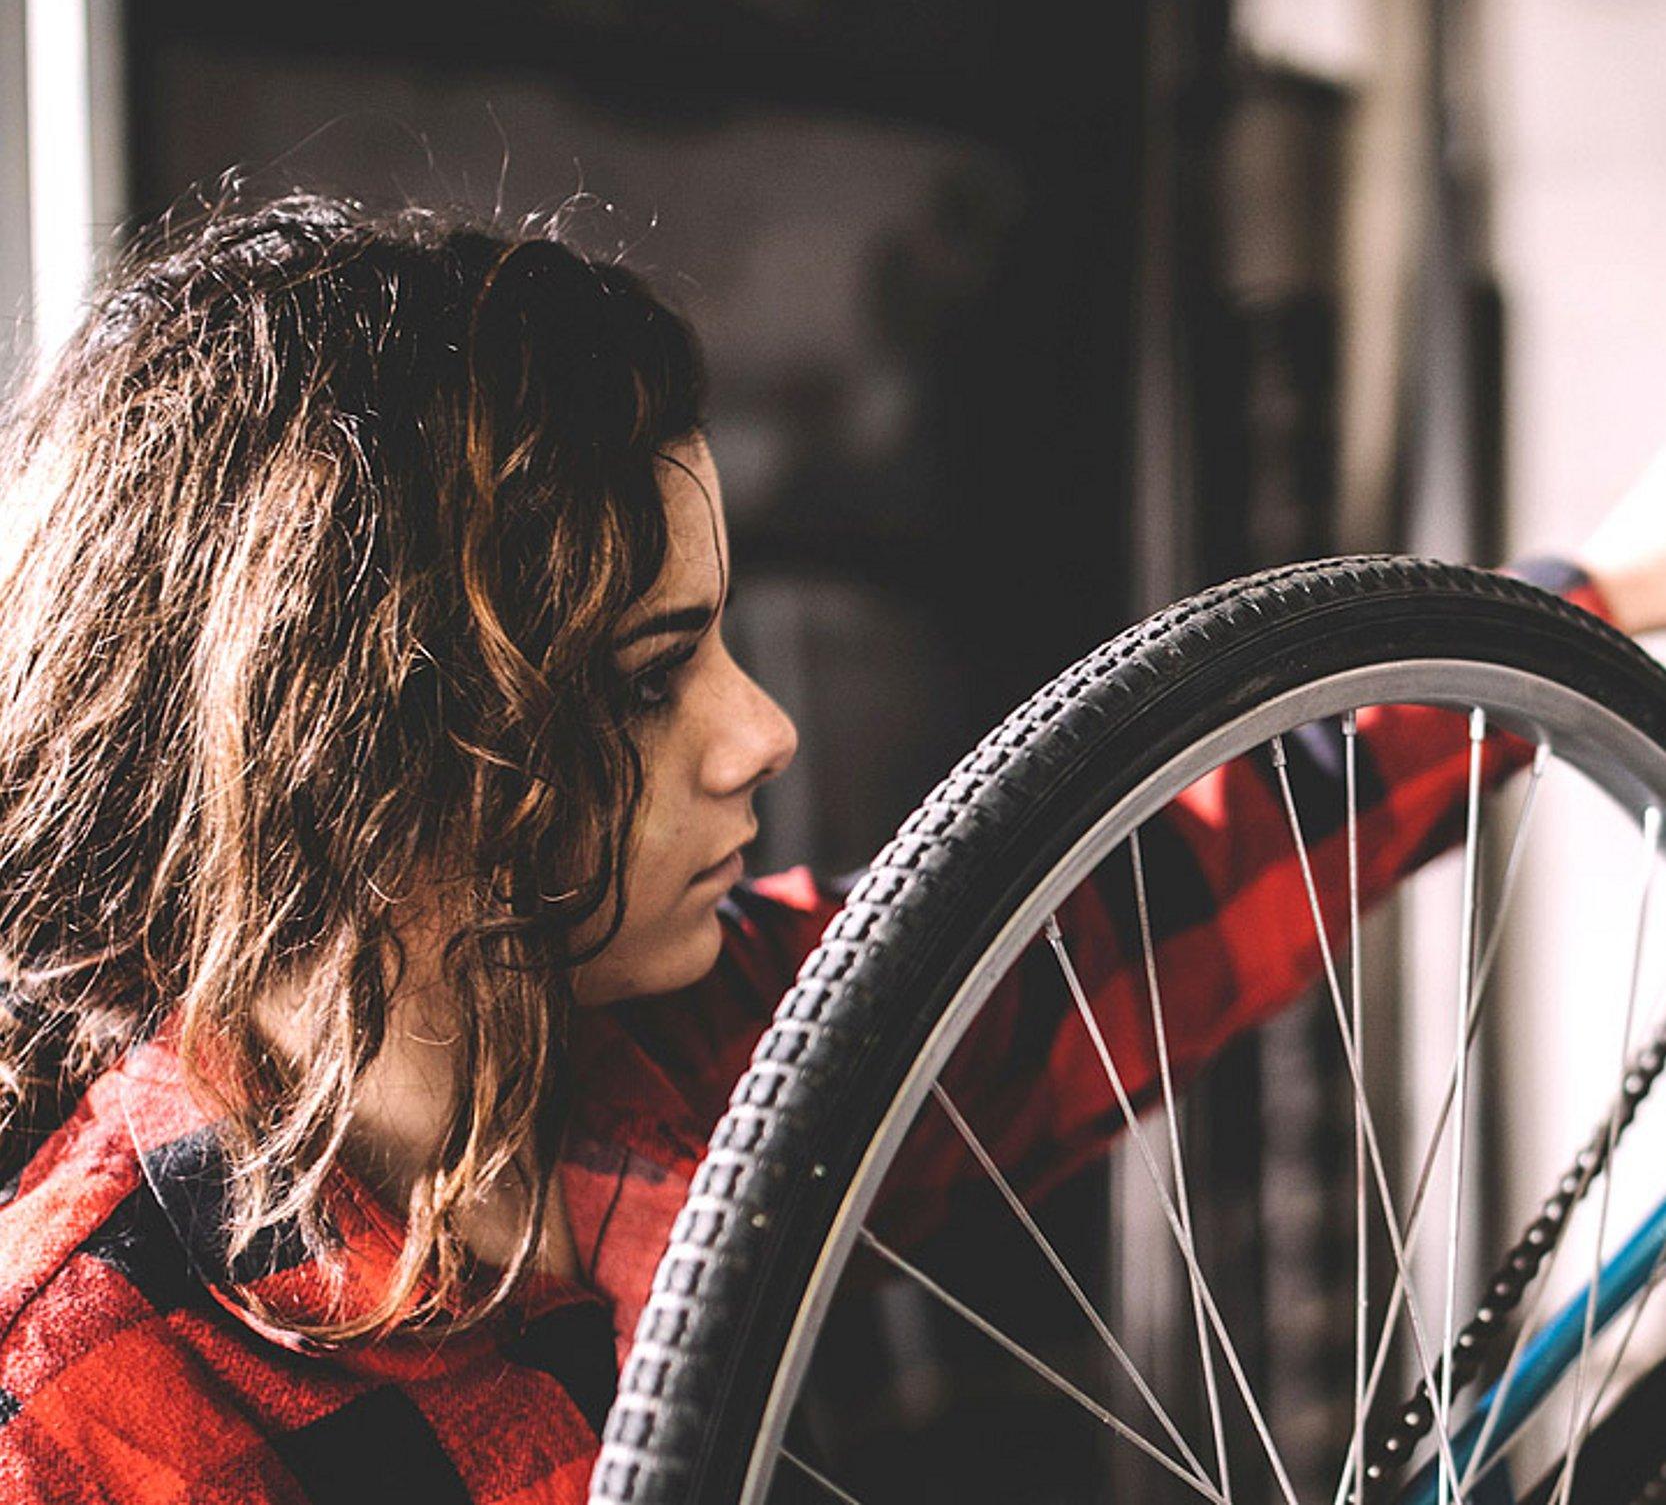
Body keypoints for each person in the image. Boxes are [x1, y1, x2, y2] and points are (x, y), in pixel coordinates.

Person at [0, 191, 1658, 1503]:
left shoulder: (701, 1038)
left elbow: (1129, 916)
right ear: (346, 769)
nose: (762, 731)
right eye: (653, 679)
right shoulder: (63, 1421)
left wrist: (1583, 604)